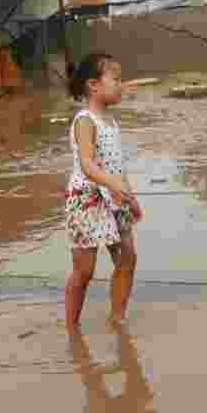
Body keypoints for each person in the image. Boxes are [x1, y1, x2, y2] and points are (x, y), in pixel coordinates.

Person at [64, 53, 144, 333]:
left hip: (116, 199)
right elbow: (87, 164)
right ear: (93, 86)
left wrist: (131, 198)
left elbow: (117, 167)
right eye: (116, 79)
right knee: (84, 270)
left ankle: (118, 317)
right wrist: (112, 184)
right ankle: (72, 328)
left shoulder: (111, 122)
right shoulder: (85, 120)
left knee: (127, 257)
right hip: (87, 200)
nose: (121, 85)